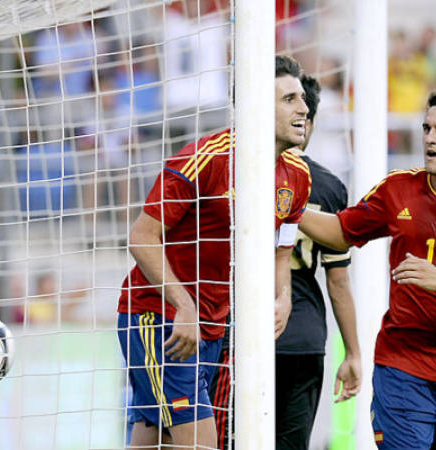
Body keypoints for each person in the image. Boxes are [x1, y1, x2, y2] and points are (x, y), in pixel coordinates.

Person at [299, 82, 436, 449]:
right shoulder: (397, 189)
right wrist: (290, 211)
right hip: (404, 362)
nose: (430, 139)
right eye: (427, 129)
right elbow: (340, 232)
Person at [117, 55, 312, 449]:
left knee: (156, 442)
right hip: (160, 321)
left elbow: (282, 247)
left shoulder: (298, 176)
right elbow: (141, 237)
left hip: (212, 328)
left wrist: (284, 296)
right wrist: (183, 305)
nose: (304, 108)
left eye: (302, 98)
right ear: (258, 103)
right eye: (289, 98)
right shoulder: (203, 159)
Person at [275, 75, 362, 450]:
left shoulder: (232, 168)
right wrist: (354, 352)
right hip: (303, 333)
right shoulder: (326, 185)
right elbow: (338, 282)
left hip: (238, 326)